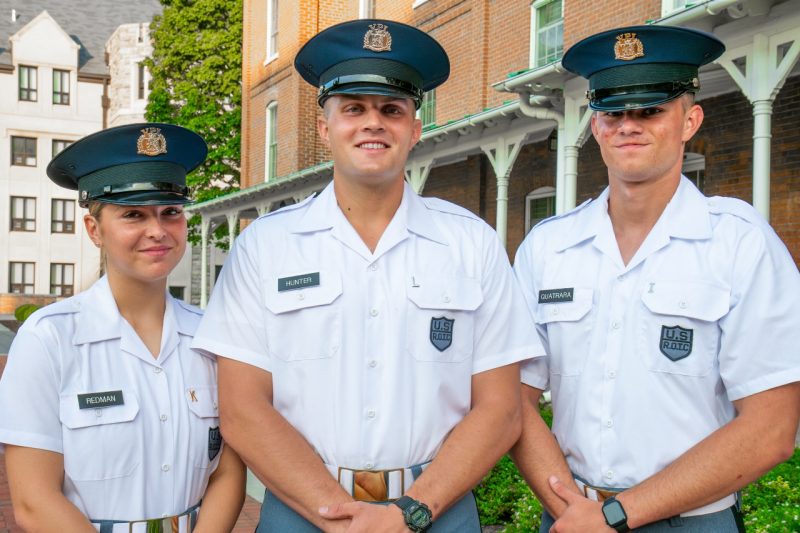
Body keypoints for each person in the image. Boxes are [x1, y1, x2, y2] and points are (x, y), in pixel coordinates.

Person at [191, 19, 543, 533]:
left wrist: (412, 511)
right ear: (323, 128)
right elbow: (242, 406)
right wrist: (334, 515)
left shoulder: (471, 243)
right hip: (301, 509)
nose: (372, 123)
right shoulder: (265, 247)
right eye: (353, 108)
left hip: (437, 510)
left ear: (415, 129)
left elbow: (501, 408)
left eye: (392, 110)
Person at [511, 25, 800, 532]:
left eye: (649, 110)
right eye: (613, 112)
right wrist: (574, 512)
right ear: (595, 126)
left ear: (690, 120)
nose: (628, 125)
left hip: (690, 521)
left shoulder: (738, 243)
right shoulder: (548, 247)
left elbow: (771, 427)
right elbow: (512, 400)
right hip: (568, 516)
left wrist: (615, 516)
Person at [0, 123, 246, 532]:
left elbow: (228, 472)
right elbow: (33, 500)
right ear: (94, 230)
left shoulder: (213, 337)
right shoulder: (49, 339)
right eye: (133, 214)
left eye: (171, 212)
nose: (157, 230)